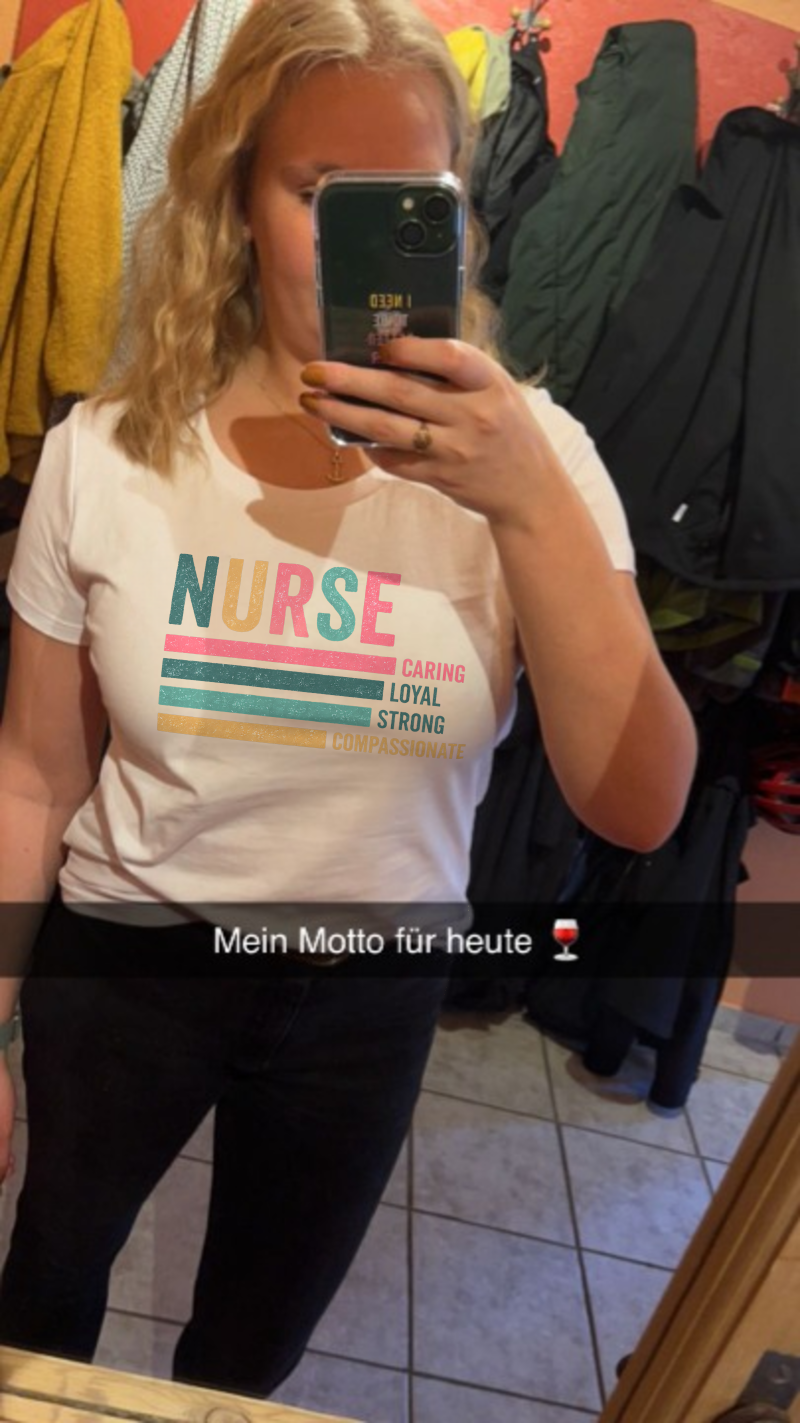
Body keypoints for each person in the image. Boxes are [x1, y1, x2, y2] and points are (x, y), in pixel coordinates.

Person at [0, 0, 698, 1399]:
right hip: (127, 960)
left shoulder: (541, 462)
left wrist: (525, 505)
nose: (364, 238)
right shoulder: (106, 452)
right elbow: (32, 774)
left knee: (248, 1352)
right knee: (39, 1297)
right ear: (237, 199)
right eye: (321, 193)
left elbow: (638, 804)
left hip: (365, 986)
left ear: (459, 217)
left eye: (413, 198)